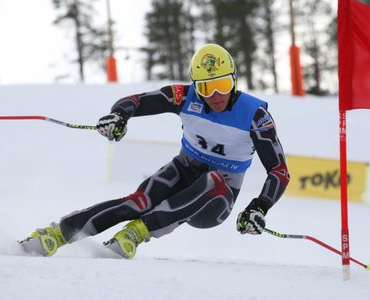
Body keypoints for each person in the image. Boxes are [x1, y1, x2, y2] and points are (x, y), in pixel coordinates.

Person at [19, 43, 290, 259]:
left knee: (214, 181)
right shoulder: (186, 97)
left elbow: (279, 170)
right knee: (137, 202)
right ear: (196, 86)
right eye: (207, 87)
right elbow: (134, 101)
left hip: (217, 201)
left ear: (235, 81)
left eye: (224, 85)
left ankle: (138, 233)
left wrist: (259, 207)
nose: (216, 95)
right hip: (184, 170)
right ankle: (57, 233)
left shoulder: (255, 115)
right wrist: (118, 116)